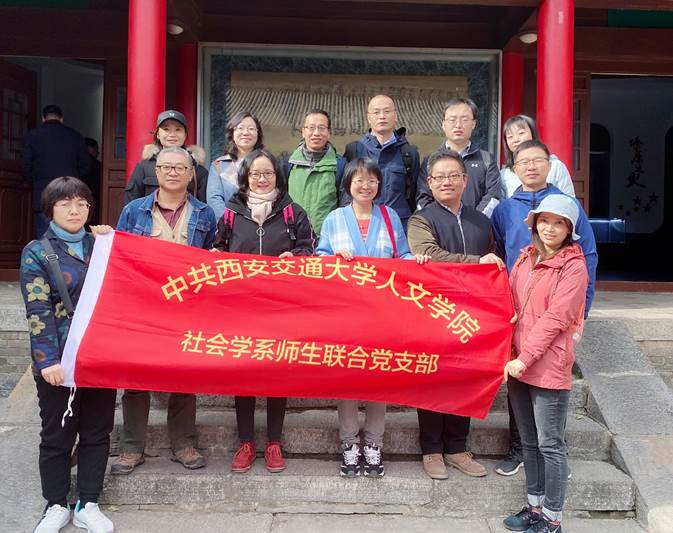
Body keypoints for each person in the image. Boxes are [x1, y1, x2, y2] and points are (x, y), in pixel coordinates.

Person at [316, 157, 430, 478]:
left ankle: (374, 444)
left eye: (372, 181)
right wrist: (334, 257)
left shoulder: (390, 216)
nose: (365, 186)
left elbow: (401, 256)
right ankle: (349, 443)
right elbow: (319, 257)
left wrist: (416, 260)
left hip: (383, 313)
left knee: (379, 377)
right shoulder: (335, 218)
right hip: (346, 313)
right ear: (348, 184)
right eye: (359, 180)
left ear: (379, 185)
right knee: (348, 378)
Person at [491, 139, 597, 478]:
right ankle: (519, 450)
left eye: (538, 160)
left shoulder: (569, 206)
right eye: (524, 161)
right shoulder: (506, 209)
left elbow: (587, 255)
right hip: (520, 314)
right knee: (519, 384)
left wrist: (582, 310)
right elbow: (499, 253)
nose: (531, 166)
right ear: (514, 169)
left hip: (555, 314)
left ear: (550, 166)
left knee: (550, 388)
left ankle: (554, 460)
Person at [110, 146, 217, 475]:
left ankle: (183, 443)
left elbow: (212, 259)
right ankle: (131, 447)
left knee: (184, 374)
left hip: (187, 307)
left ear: (190, 174)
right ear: (155, 172)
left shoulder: (204, 214)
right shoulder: (133, 211)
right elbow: (119, 256)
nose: (172, 172)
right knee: (136, 376)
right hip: (143, 306)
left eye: (179, 168)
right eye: (166, 167)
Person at [20, 177, 115, 533]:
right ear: (51, 209)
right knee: (57, 436)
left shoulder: (102, 246)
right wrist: (47, 360)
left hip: (100, 356)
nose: (74, 210)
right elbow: (38, 309)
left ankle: (88, 503)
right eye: (65, 204)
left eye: (81, 203)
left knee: (96, 432)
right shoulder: (37, 251)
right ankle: (55, 504)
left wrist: (111, 239)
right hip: (59, 360)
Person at [212, 148, 314, 474]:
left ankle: (273, 442)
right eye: (255, 173)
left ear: (277, 176)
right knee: (243, 373)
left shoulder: (292, 212)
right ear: (246, 177)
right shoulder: (231, 213)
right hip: (240, 307)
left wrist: (295, 258)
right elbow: (217, 248)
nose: (261, 178)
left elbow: (308, 248)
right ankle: (245, 442)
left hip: (281, 308)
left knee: (276, 374)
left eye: (267, 173)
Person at [407, 150, 504, 480]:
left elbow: (494, 260)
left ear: (465, 180)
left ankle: (457, 448)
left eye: (453, 176)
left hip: (472, 314)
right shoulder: (421, 219)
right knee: (433, 379)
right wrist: (476, 263)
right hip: (433, 312)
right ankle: (431, 449)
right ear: (429, 183)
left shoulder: (482, 221)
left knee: (465, 378)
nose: (446, 182)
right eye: (439, 177)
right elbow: (429, 254)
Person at [503, 194, 588, 533]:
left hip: (546, 364)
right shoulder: (526, 257)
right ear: (535, 223)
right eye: (544, 221)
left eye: (558, 223)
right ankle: (534, 506)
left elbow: (556, 318)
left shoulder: (573, 266)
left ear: (568, 229)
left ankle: (552, 518)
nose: (549, 228)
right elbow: (510, 301)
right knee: (529, 441)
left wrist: (525, 358)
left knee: (550, 445)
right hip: (518, 362)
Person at [343, 94, 420, 226]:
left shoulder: (408, 153)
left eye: (387, 111)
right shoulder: (355, 150)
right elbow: (346, 193)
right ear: (369, 118)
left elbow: (414, 193)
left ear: (395, 116)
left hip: (399, 225)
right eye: (376, 112)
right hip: (362, 224)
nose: (382, 116)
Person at [416, 98, 500, 217]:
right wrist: (440, 221)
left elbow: (493, 196)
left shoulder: (486, 159)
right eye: (452, 120)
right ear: (443, 124)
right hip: (438, 226)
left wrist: (476, 221)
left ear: (473, 124)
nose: (458, 125)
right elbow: (422, 196)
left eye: (464, 120)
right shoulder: (430, 161)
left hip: (477, 225)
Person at [20, 105, 90, 238]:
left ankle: (47, 253)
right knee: (69, 232)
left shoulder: (33, 135)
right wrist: (74, 181)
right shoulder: (74, 136)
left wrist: (33, 181)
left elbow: (25, 164)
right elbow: (85, 165)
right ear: (62, 118)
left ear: (43, 118)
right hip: (69, 191)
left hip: (42, 191)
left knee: (44, 234)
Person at [283, 109, 346, 238]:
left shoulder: (340, 166)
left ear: (329, 133)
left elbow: (345, 204)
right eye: (311, 128)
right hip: (292, 237)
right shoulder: (288, 164)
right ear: (303, 131)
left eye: (321, 128)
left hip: (327, 238)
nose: (316, 133)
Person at [124, 110, 208, 204]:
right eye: (166, 129)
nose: (172, 135)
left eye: (178, 130)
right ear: (158, 134)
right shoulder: (143, 167)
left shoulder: (196, 169)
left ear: (185, 135)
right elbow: (131, 201)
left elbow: (204, 205)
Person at [206, 111, 264, 220]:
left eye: (251, 128)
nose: (245, 133)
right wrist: (230, 223)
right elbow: (214, 200)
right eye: (240, 128)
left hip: (262, 224)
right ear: (232, 133)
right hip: (228, 225)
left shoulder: (268, 163)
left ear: (258, 133)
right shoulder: (219, 165)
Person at [500, 115, 575, 199]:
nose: (516, 140)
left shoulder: (556, 166)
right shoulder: (504, 174)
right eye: (510, 137)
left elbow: (569, 200)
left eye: (521, 133)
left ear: (533, 133)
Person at [83, 137, 102, 225]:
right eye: (96, 149)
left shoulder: (78, 163)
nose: (98, 152)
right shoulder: (96, 165)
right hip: (93, 196)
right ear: (89, 148)